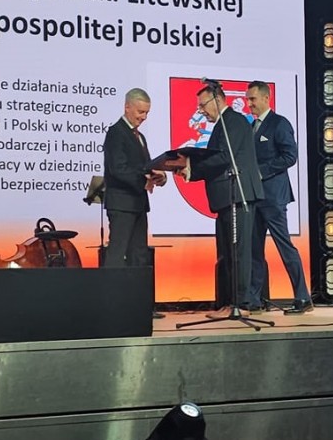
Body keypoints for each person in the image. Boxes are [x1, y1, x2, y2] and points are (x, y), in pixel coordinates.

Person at [177, 84, 264, 318]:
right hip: (226, 198)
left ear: (217, 100)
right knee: (227, 252)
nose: (200, 111)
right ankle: (229, 303)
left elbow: (225, 157)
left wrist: (191, 168)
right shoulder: (223, 124)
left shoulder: (233, 121)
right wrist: (190, 168)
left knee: (239, 252)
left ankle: (241, 303)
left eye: (202, 105)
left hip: (239, 196)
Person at [245, 80, 313, 314]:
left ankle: (302, 297)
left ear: (266, 98)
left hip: (274, 197)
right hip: (254, 197)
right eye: (248, 99)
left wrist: (260, 172)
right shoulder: (252, 127)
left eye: (253, 99)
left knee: (284, 246)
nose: (249, 103)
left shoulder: (279, 123)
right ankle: (254, 299)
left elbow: (290, 156)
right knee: (254, 249)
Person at [102, 88, 166, 270]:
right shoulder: (116, 132)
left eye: (147, 112)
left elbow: (145, 166)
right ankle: (111, 288)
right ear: (127, 107)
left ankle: (136, 288)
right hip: (122, 204)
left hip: (138, 203)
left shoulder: (140, 136)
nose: (144, 117)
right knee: (117, 253)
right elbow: (118, 169)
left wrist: (159, 176)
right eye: (140, 112)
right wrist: (143, 180)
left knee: (139, 254)